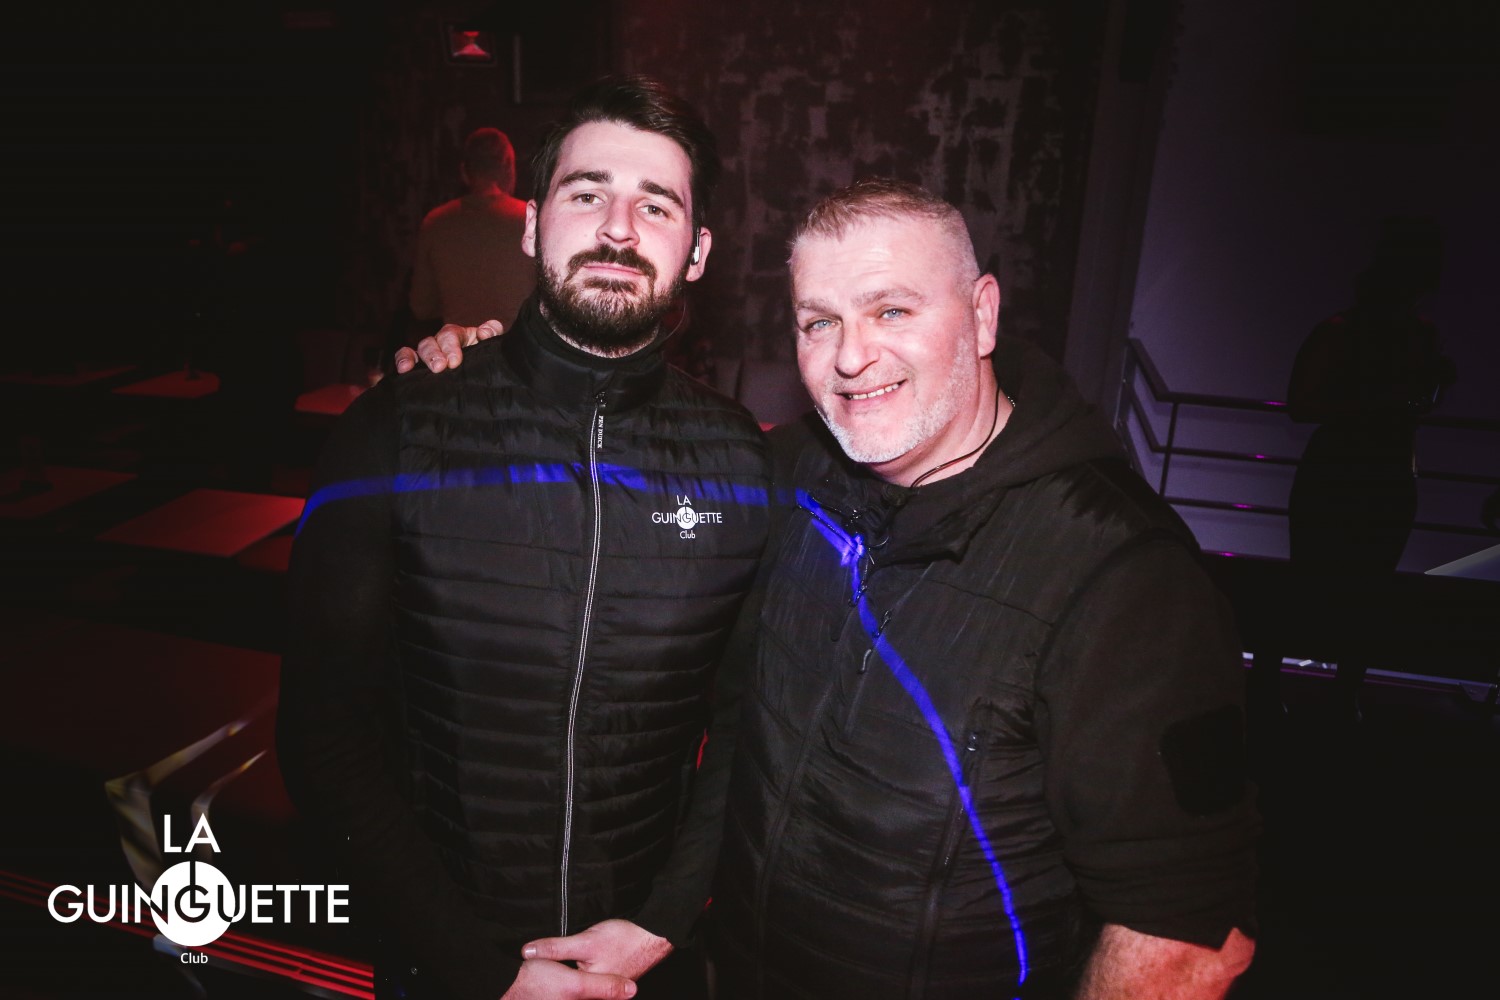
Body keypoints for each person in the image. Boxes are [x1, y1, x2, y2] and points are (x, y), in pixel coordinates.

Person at [411, 182, 1259, 998]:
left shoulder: (1124, 576)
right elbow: (625, 465)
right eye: (820, 322)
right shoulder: (797, 473)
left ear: (983, 314)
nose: (852, 357)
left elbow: (1187, 935)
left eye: (891, 311)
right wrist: (495, 373)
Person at [278, 77, 771, 1000]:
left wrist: (664, 921)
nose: (618, 229)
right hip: (445, 965)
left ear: (698, 251)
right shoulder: (397, 428)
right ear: (533, 224)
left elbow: (749, 725)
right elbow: (323, 735)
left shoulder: (743, 463)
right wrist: (481, 972)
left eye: (655, 205)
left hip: (643, 967)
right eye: (587, 194)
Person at [1284, 217, 1455, 723]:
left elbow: (1303, 402)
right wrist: (1410, 394)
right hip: (1378, 472)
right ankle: (1340, 694)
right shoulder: (1402, 334)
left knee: (1326, 580)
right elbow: (1407, 404)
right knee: (1359, 584)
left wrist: (1409, 395)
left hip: (1350, 470)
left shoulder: (1348, 330)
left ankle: (1284, 683)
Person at [409, 127, 535, 332]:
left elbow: (421, 308)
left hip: (459, 348)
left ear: (464, 172)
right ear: (509, 168)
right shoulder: (530, 218)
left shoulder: (435, 223)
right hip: (518, 348)